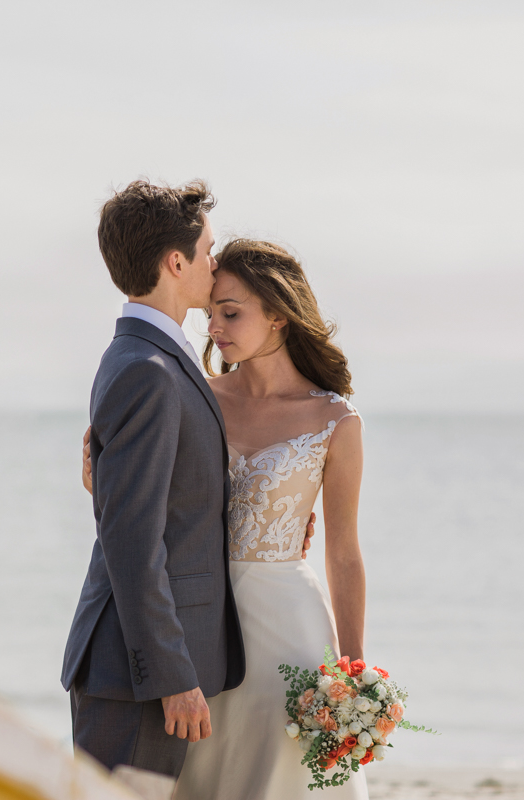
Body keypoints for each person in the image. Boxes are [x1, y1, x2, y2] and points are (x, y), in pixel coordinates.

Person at [81, 238, 368, 799]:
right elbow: (144, 509)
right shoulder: (194, 397)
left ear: (280, 317)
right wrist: (100, 483)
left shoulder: (337, 420)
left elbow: (344, 552)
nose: (214, 327)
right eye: (211, 312)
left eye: (231, 313)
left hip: (291, 630)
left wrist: (355, 673)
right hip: (200, 623)